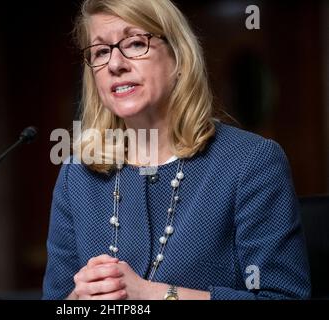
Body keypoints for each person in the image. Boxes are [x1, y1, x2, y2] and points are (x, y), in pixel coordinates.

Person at [42, 0, 311, 300]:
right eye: (101, 52)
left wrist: (152, 295)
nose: (115, 64)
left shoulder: (251, 161)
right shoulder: (77, 173)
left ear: (179, 57)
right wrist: (76, 301)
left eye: (134, 43)